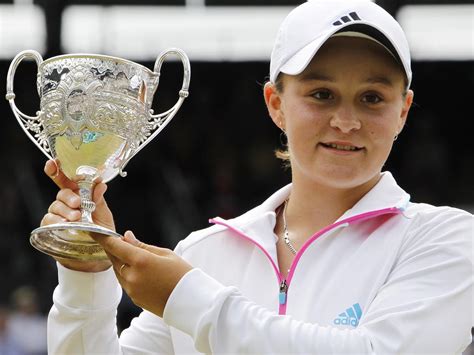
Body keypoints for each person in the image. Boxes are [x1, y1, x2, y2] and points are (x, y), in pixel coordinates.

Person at [41, 0, 473, 353]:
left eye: (372, 98)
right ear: (275, 104)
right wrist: (86, 278)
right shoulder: (203, 254)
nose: (346, 120)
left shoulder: (447, 240)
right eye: (321, 94)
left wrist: (189, 300)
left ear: (403, 111)